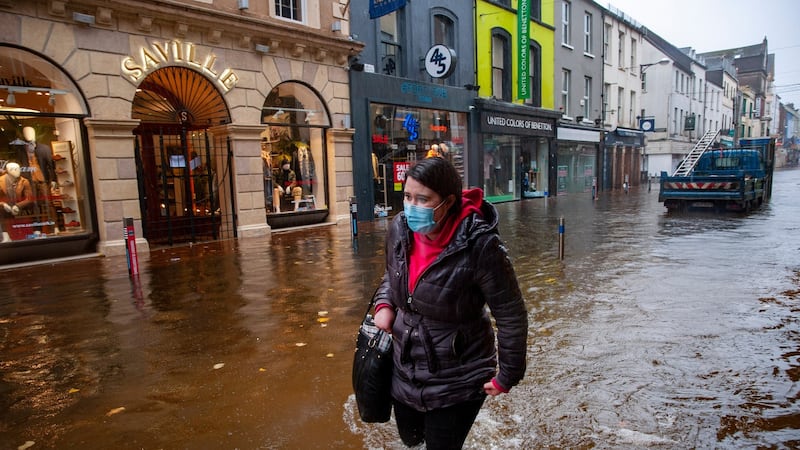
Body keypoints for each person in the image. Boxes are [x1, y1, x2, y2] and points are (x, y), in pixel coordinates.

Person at [372, 157, 528, 449]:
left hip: (459, 375)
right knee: (411, 441)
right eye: (407, 196)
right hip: (405, 365)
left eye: (423, 199)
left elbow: (511, 314)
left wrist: (507, 375)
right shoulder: (399, 228)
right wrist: (384, 305)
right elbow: (392, 273)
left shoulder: (480, 244)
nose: (411, 206)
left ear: (448, 202)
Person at [0, 162, 34, 242]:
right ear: (8, 171)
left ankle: (25, 235)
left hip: (20, 209)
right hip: (4, 210)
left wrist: (18, 206)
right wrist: (3, 204)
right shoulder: (1, 181)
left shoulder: (24, 181)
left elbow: (29, 198)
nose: (17, 171)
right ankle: (5, 235)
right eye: (14, 169)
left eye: (18, 169)